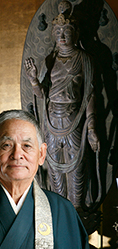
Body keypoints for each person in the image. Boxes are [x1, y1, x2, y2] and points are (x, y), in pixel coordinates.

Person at [0, 109, 90, 249]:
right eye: (6, 145)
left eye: (27, 146)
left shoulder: (62, 211)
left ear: (41, 154)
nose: (17, 155)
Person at [24, 2, 100, 209]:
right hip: (51, 121)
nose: (62, 36)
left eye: (67, 31)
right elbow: (41, 94)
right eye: (58, 32)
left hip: (74, 119)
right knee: (55, 169)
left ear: (76, 34)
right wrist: (33, 79)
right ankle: (57, 211)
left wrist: (91, 128)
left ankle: (76, 211)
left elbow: (90, 95)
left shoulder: (84, 59)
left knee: (77, 169)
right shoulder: (50, 60)